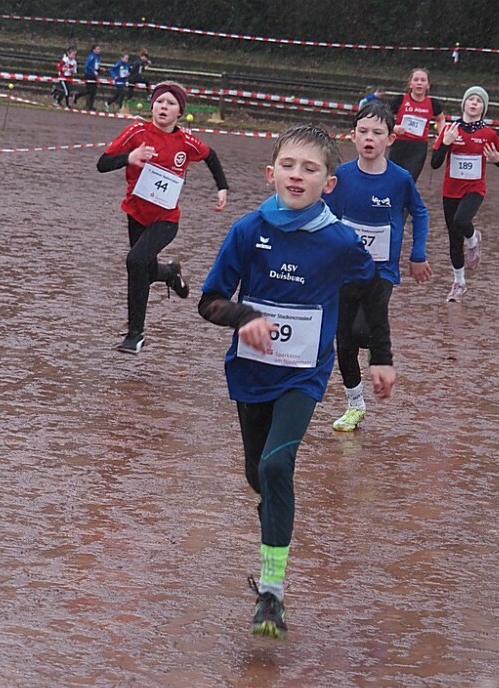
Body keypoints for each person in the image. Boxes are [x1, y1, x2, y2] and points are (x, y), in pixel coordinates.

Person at [197, 124, 395, 639]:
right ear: (271, 173)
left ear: (329, 183)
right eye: (288, 165)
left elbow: (372, 291)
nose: (297, 175)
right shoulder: (247, 231)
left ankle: (272, 594)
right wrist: (245, 318)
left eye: (310, 169)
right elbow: (209, 302)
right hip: (250, 372)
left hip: (305, 375)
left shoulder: (339, 240)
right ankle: (274, 520)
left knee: (277, 463)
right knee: (259, 476)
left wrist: (381, 357)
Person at [97, 81, 228, 354]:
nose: (163, 107)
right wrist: (129, 157)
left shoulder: (186, 141)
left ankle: (135, 334)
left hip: (166, 219)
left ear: (180, 111)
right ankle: (169, 272)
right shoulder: (137, 131)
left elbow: (211, 156)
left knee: (135, 260)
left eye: (170, 103)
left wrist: (222, 188)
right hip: (136, 214)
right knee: (144, 269)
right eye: (159, 102)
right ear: (151, 106)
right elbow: (102, 164)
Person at [325, 100, 430, 432]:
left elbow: (420, 212)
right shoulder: (341, 177)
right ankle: (355, 405)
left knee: (360, 331)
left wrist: (418, 254)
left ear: (390, 139)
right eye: (364, 131)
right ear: (353, 136)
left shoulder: (399, 179)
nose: (369, 138)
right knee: (344, 340)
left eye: (377, 133)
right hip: (343, 271)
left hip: (381, 272)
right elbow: (323, 215)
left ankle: (375, 342)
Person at [430, 86, 499, 302]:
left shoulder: (488, 134)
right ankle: (459, 283)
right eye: (471, 99)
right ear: (464, 104)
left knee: (461, 220)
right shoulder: (450, 130)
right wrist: (446, 143)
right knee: (454, 240)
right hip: (450, 190)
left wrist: (498, 160)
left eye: (479, 101)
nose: (474, 103)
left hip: (474, 188)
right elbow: (435, 163)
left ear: (483, 108)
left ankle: (473, 240)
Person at [388, 68, 445, 183]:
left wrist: (441, 135)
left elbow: (441, 119)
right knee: (393, 179)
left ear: (428, 85)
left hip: (418, 148)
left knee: (409, 179)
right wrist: (394, 128)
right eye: (416, 80)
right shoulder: (400, 100)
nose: (419, 83)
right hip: (399, 145)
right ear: (410, 84)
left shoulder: (433, 103)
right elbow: (385, 117)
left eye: (423, 80)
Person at [81, 44, 101, 111]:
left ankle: (90, 105)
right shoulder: (91, 56)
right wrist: (93, 71)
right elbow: (87, 65)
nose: (99, 50)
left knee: (94, 91)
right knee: (89, 90)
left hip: (94, 76)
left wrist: (99, 70)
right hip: (89, 75)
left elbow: (96, 66)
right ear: (93, 50)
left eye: (99, 49)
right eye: (97, 49)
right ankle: (81, 98)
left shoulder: (98, 57)